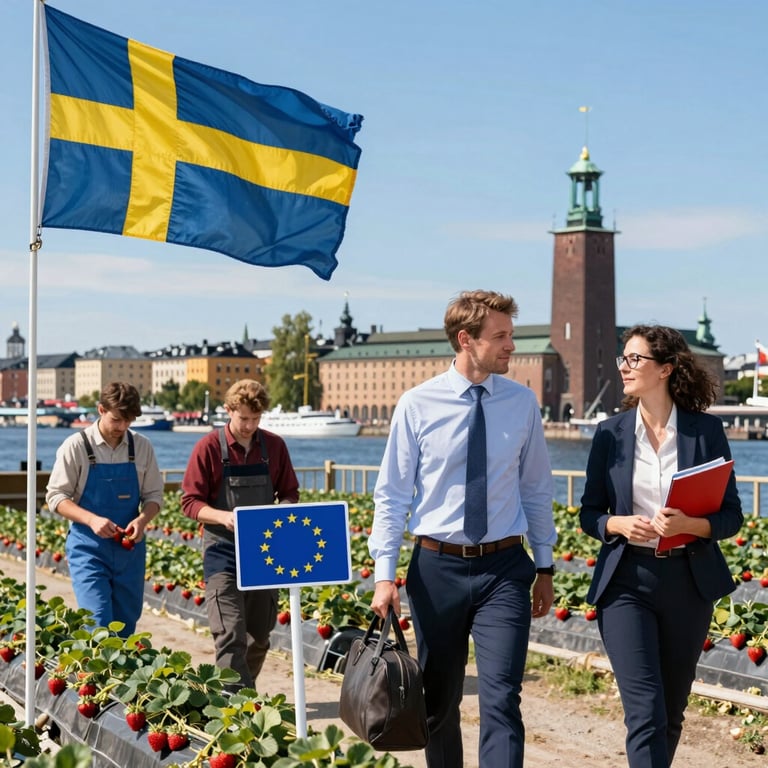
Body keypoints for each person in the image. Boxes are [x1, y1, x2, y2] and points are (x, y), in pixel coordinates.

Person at [368, 289, 557, 768]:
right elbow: (392, 495)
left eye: (512, 335)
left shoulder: (522, 404)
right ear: (466, 339)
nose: (512, 345)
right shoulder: (416, 405)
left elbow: (535, 489)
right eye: (501, 337)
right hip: (436, 571)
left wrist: (546, 565)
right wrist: (384, 575)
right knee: (438, 701)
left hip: (505, 570)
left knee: (501, 699)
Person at [580, 324, 743, 768]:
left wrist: (691, 523)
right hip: (626, 583)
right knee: (646, 712)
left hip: (688, 583)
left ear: (666, 369)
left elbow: (731, 516)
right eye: (624, 359)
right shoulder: (609, 433)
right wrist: (617, 523)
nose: (626, 368)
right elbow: (588, 513)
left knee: (671, 713)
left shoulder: (705, 432)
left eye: (636, 359)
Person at [181, 379, 299, 689]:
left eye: (256, 419)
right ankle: (231, 707)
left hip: (264, 549)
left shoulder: (274, 446)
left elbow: (289, 493)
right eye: (243, 418)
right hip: (222, 548)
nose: (249, 426)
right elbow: (190, 502)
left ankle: (241, 693)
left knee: (259, 635)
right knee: (230, 632)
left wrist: (280, 510)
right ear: (228, 411)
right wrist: (224, 517)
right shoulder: (207, 447)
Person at [45, 381, 163, 636]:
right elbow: (55, 496)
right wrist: (92, 520)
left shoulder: (141, 447)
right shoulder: (76, 446)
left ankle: (116, 675)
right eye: (117, 419)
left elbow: (154, 496)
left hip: (129, 551)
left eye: (128, 420)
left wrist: (143, 520)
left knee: (125, 626)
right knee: (97, 623)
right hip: (88, 549)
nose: (122, 427)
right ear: (101, 409)